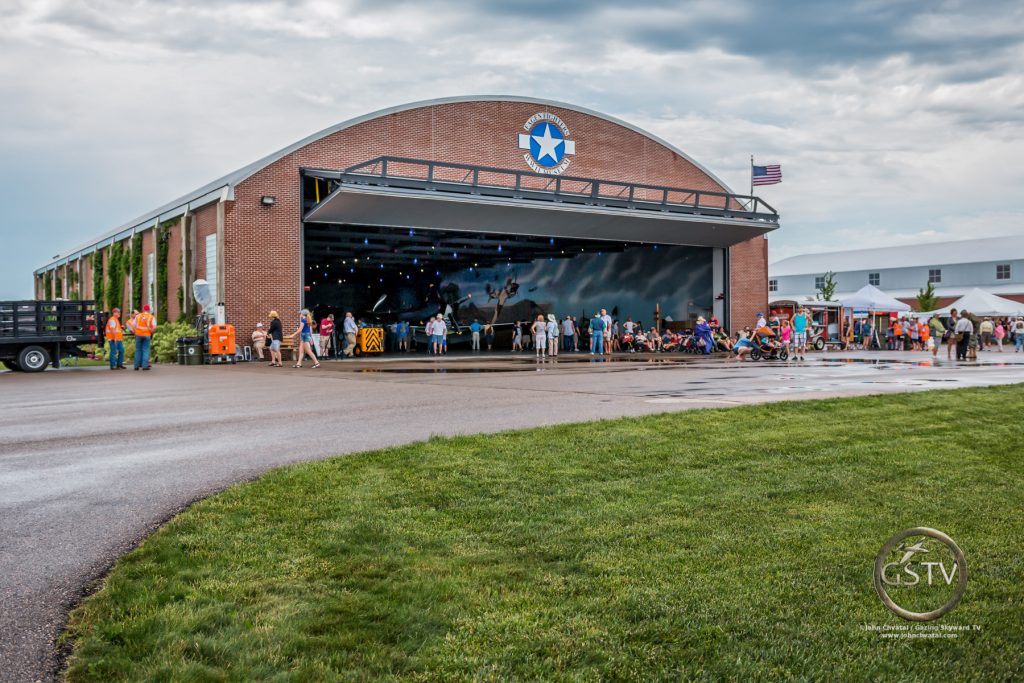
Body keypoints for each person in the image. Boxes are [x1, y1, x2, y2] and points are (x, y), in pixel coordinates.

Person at [130, 304, 157, 371]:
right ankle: (145, 366)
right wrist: (151, 332)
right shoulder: (151, 317)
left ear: (143, 309)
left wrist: (135, 332)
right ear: (149, 310)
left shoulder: (138, 316)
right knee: (145, 350)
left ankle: (136, 366)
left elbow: (132, 325)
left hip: (138, 335)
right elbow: (154, 328)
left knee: (138, 350)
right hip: (147, 335)